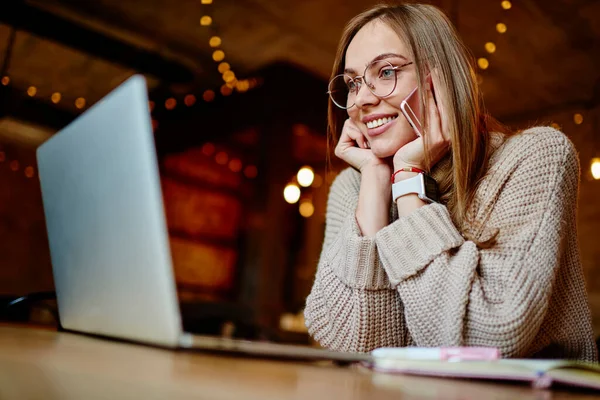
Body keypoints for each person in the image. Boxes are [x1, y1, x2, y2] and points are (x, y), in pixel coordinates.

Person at [304, 2, 597, 361]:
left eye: (386, 71)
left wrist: (409, 181)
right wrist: (379, 183)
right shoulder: (355, 185)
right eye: (352, 83)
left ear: (439, 78)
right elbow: (350, 346)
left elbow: (486, 337)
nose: (362, 99)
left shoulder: (536, 156)